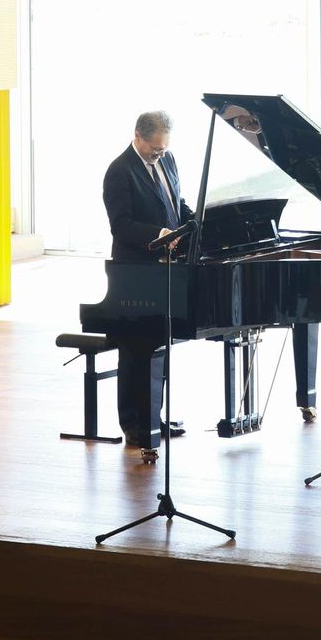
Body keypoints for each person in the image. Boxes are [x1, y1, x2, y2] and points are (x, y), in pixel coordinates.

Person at [102, 110, 196, 450]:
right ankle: (134, 425)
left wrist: (194, 222)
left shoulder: (167, 160)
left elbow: (175, 202)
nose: (160, 154)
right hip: (135, 272)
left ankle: (153, 418)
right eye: (154, 149)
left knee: (159, 345)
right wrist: (159, 234)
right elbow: (121, 225)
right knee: (135, 350)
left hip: (165, 269)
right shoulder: (119, 171)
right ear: (138, 137)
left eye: (163, 149)